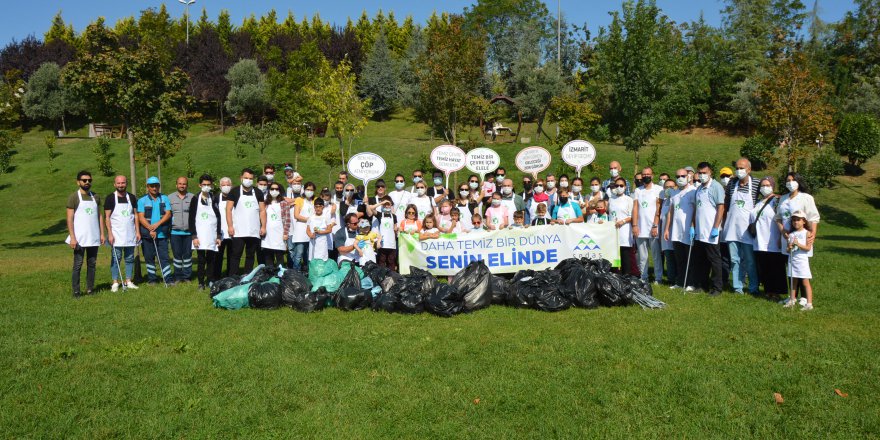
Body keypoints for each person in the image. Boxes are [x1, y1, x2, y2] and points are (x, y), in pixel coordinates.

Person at [722, 158, 761, 294]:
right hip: (732, 227)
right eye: (737, 168)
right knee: (734, 260)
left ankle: (753, 287)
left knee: (750, 260)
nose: (739, 170)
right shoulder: (732, 183)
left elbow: (764, 199)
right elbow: (726, 202)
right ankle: (737, 287)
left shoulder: (756, 183)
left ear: (749, 170)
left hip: (747, 229)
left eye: (742, 168)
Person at [67, 170, 105, 297]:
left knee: (92, 264)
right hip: (79, 238)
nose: (87, 182)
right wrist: (72, 237)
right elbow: (69, 218)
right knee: (78, 264)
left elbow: (99, 216)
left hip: (93, 237)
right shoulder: (74, 197)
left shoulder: (96, 197)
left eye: (89, 180)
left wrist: (102, 234)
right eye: (84, 180)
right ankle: (76, 291)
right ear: (78, 182)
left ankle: (90, 289)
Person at [690, 162, 726, 295]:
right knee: (701, 260)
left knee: (714, 260)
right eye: (700, 172)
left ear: (710, 172)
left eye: (705, 172)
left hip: (711, 231)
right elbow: (696, 209)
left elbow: (720, 207)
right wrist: (693, 226)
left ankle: (717, 287)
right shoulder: (699, 189)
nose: (702, 175)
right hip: (700, 231)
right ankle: (702, 285)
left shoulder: (716, 187)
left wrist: (716, 227)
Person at [225, 168, 267, 276]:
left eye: (250, 178)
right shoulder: (234, 191)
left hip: (254, 231)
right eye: (246, 178)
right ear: (241, 178)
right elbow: (228, 209)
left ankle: (247, 277)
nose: (248, 180)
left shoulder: (258, 192)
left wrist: (263, 226)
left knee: (250, 256)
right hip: (238, 230)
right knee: (236, 255)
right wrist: (230, 226)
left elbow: (262, 211)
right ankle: (233, 277)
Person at [751, 177, 786, 297]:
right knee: (763, 267)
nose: (764, 187)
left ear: (772, 186)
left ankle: (776, 291)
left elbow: (782, 218)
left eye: (767, 185)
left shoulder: (777, 201)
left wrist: (782, 236)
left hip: (773, 240)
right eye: (762, 185)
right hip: (759, 241)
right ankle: (767, 290)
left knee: (775, 267)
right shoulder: (759, 202)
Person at [104, 175, 139, 292]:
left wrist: (138, 231)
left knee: (129, 258)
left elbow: (136, 216)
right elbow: (107, 217)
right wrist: (109, 233)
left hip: (130, 234)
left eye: (123, 183)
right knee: (116, 258)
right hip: (116, 235)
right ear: (115, 184)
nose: (121, 185)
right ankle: (115, 282)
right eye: (118, 183)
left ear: (126, 183)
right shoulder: (110, 198)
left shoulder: (132, 198)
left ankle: (128, 280)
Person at [664, 169, 696, 289]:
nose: (680, 178)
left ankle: (691, 283)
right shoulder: (674, 192)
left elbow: (695, 210)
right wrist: (667, 229)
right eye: (678, 176)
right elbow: (671, 212)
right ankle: (680, 281)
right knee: (679, 258)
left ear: (688, 177)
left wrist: (693, 226)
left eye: (683, 176)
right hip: (676, 231)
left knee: (690, 258)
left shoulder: (692, 191)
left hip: (688, 230)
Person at [188, 175, 222, 289]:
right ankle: (201, 282)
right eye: (204, 185)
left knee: (211, 259)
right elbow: (191, 219)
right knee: (201, 260)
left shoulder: (214, 198)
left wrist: (218, 235)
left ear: (211, 185)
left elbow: (218, 217)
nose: (206, 187)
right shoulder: (195, 199)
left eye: (208, 185)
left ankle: (210, 280)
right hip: (200, 235)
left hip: (212, 234)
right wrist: (194, 236)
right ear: (200, 185)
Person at [137, 176, 172, 285]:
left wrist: (157, 225)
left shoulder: (164, 198)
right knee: (149, 257)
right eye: (152, 186)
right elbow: (141, 217)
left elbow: (168, 214)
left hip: (162, 234)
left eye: (156, 185)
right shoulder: (142, 200)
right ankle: (152, 279)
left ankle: (168, 279)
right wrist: (150, 228)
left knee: (164, 258)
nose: (154, 188)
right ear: (147, 187)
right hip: (148, 235)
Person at [775, 172, 820, 250]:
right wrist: (782, 231)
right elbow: (778, 218)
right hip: (786, 236)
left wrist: (812, 234)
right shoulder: (783, 198)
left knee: (800, 259)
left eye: (793, 180)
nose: (790, 182)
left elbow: (813, 218)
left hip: (802, 237)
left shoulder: (806, 198)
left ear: (798, 182)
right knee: (788, 260)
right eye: (788, 180)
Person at [633, 167, 663, 283]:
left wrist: (655, 225)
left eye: (648, 174)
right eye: (644, 174)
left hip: (653, 228)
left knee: (656, 255)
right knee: (642, 256)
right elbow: (635, 208)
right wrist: (635, 225)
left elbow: (658, 209)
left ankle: (658, 278)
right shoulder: (638, 190)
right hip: (640, 228)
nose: (646, 176)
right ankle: (643, 277)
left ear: (652, 175)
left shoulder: (658, 189)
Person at [783, 211, 814, 310]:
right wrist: (790, 247)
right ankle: (792, 299)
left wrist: (798, 244)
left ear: (804, 221)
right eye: (794, 220)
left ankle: (809, 304)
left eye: (798, 220)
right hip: (792, 260)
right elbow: (787, 250)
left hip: (802, 261)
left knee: (805, 282)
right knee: (793, 281)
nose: (796, 222)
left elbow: (808, 248)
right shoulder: (791, 234)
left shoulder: (807, 233)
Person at [169, 176, 194, 283]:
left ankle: (187, 276)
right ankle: (178, 276)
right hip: (175, 232)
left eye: (184, 184)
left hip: (189, 232)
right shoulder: (169, 198)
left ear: (187, 185)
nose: (182, 186)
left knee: (188, 255)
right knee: (177, 255)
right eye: (180, 184)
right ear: (176, 185)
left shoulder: (193, 197)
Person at [608, 177, 635, 275]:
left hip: (624, 231)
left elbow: (632, 216)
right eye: (616, 185)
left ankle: (626, 276)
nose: (619, 187)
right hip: (613, 231)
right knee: (615, 255)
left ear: (625, 187)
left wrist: (622, 221)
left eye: (621, 185)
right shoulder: (611, 199)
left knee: (625, 254)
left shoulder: (628, 199)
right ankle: (616, 275)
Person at [289, 181, 316, 271]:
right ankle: (296, 271)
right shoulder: (299, 200)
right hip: (300, 230)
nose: (309, 191)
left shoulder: (315, 200)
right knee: (299, 253)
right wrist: (309, 219)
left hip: (311, 230)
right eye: (307, 189)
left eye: (311, 190)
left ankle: (309, 271)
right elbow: (296, 215)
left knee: (309, 253)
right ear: (304, 190)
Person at [262, 182, 291, 268]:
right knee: (268, 257)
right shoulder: (265, 203)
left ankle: (280, 276)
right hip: (267, 235)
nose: (274, 191)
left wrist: (285, 233)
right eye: (272, 189)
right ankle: (269, 275)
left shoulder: (284, 203)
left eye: (276, 189)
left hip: (279, 234)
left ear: (280, 191)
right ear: (269, 190)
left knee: (279, 257)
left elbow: (287, 219)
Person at [657, 178, 678, 284]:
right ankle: (671, 280)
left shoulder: (677, 200)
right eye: (666, 187)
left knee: (677, 258)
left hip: (676, 234)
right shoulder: (664, 202)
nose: (669, 189)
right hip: (665, 235)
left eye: (671, 187)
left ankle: (678, 279)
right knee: (669, 258)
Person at [372, 195, 399, 270]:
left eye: (388, 204)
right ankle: (381, 278)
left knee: (391, 261)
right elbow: (372, 208)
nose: (387, 206)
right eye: (385, 204)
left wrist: (396, 229)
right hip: (382, 244)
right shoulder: (380, 215)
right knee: (381, 261)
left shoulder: (394, 216)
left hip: (391, 244)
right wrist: (381, 203)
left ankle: (391, 278)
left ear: (391, 205)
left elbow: (395, 227)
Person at [214, 177, 233, 279]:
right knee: (218, 256)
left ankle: (230, 276)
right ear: (220, 186)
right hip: (220, 233)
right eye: (224, 185)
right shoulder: (216, 198)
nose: (226, 187)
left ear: (232, 186)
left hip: (232, 232)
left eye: (228, 185)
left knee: (232, 256)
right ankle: (216, 277)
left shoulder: (235, 197)